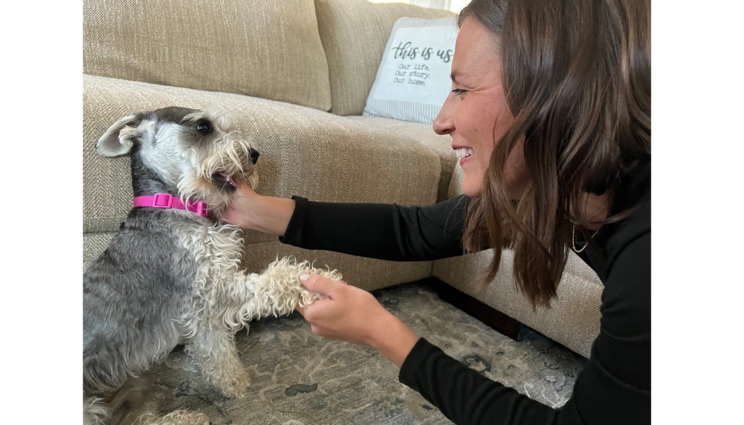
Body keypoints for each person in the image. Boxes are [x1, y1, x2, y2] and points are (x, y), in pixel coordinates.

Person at [221, 0, 652, 423]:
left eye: (462, 89)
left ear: (558, 94)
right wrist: (252, 211)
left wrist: (383, 333)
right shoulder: (565, 186)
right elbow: (416, 231)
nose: (441, 120)